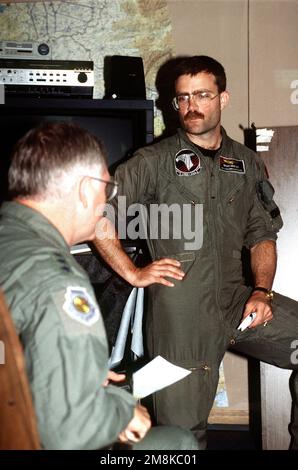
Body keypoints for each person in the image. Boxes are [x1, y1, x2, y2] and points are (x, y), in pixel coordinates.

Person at [93, 55, 298, 449]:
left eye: (202, 95)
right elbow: (97, 215)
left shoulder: (246, 162)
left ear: (223, 99)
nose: (191, 106)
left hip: (237, 302)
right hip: (181, 314)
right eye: (182, 98)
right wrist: (134, 274)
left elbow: (263, 234)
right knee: (182, 433)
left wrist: (262, 291)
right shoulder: (150, 162)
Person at [0, 121, 199, 450]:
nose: (107, 203)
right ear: (84, 190)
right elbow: (70, 431)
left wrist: (57, 367)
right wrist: (122, 412)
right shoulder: (58, 283)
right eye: (107, 190)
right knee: (177, 444)